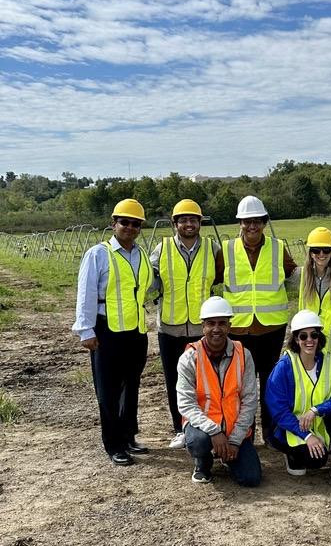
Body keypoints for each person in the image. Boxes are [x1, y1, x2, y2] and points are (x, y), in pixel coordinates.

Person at [72, 198, 155, 465]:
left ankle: (129, 436)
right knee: (107, 391)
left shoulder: (141, 254)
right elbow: (85, 293)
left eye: (135, 223)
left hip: (135, 331)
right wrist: (85, 330)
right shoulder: (98, 254)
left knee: (131, 386)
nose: (130, 227)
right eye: (125, 222)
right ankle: (113, 444)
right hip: (106, 331)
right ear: (113, 224)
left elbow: (146, 288)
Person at [221, 195, 297, 437]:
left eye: (257, 221)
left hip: (271, 328)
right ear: (240, 224)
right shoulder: (226, 250)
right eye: (247, 221)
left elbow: (293, 274)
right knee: (241, 385)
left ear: (264, 222)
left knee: (269, 383)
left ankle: (270, 432)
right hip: (238, 328)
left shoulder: (277, 248)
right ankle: (245, 431)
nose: (252, 226)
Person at [151, 199, 222, 449]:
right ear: (175, 223)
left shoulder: (213, 249)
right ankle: (179, 428)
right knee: (175, 381)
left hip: (204, 331)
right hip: (170, 327)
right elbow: (149, 280)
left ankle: (206, 426)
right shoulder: (162, 248)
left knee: (206, 381)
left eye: (193, 219)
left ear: (200, 223)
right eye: (183, 220)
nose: (189, 224)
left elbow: (221, 280)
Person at [265, 311, 331, 492]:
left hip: (318, 422)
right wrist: (307, 436)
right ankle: (291, 454)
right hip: (290, 429)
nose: (310, 340)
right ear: (296, 340)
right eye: (303, 336)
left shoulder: (329, 361)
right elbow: (278, 410)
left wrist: (316, 410)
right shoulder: (284, 367)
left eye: (314, 335)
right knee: (315, 462)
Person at [176, 297, 261, 486]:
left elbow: (249, 401)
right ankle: (202, 463)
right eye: (211, 323)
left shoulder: (243, 354)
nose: (216, 329)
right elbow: (185, 404)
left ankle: (227, 455)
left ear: (229, 326)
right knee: (199, 442)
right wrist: (215, 432)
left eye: (222, 323)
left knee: (251, 479)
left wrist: (235, 440)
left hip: (234, 430)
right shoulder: (190, 358)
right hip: (203, 430)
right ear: (203, 326)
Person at [298, 227, 331, 358]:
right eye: (315, 250)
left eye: (326, 250)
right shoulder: (300, 275)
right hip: (307, 344)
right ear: (310, 253)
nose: (321, 254)